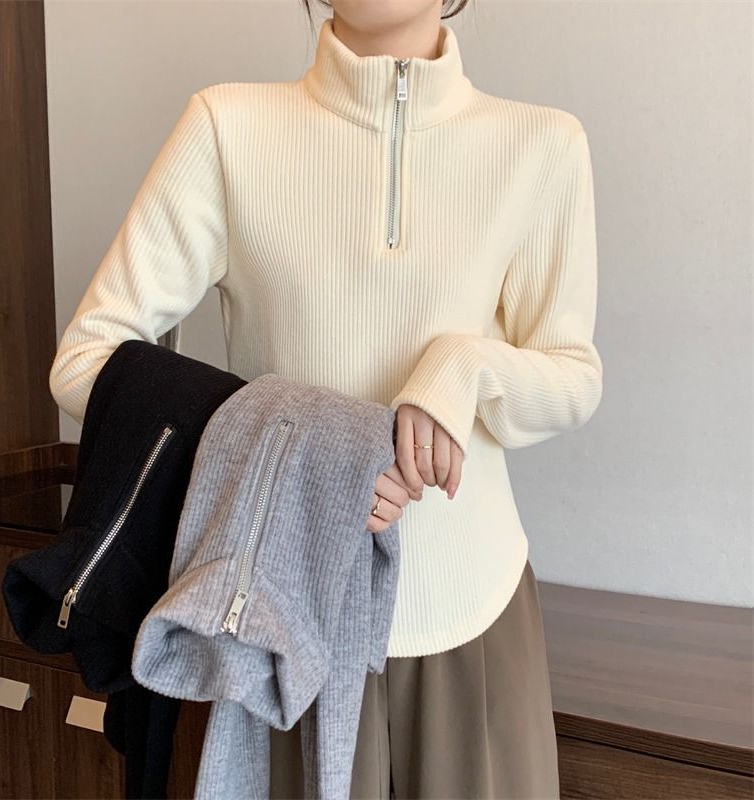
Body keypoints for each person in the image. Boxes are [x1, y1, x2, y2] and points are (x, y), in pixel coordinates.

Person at [49, 0, 603, 797]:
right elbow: (88, 359)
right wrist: (311, 448)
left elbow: (572, 373)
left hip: (476, 620)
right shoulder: (227, 130)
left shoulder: (542, 146)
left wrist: (465, 369)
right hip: (283, 624)